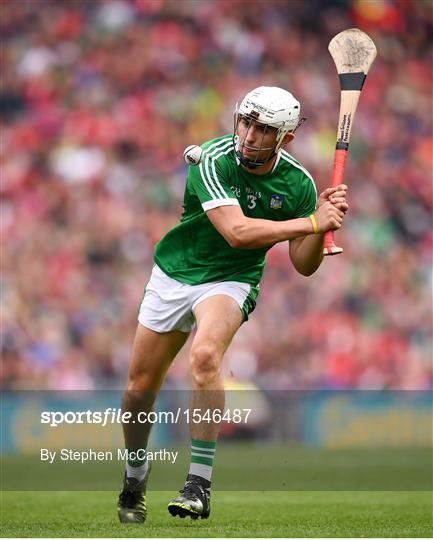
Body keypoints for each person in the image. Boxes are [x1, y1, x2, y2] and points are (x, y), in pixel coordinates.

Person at [117, 86, 349, 523]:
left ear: (285, 139)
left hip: (232, 280)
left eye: (263, 130)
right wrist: (312, 219)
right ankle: (135, 473)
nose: (248, 136)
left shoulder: (298, 184)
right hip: (175, 273)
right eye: (245, 123)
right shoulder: (210, 158)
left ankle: (198, 485)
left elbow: (303, 265)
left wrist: (318, 228)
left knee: (205, 357)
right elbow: (236, 232)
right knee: (137, 390)